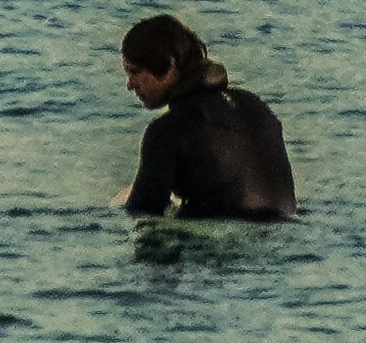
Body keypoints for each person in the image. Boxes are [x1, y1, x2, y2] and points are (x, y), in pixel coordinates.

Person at [119, 13, 297, 219]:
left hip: (224, 233)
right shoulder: (254, 105)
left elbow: (144, 212)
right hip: (286, 227)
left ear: (170, 64)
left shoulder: (167, 130)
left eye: (135, 72)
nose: (130, 85)